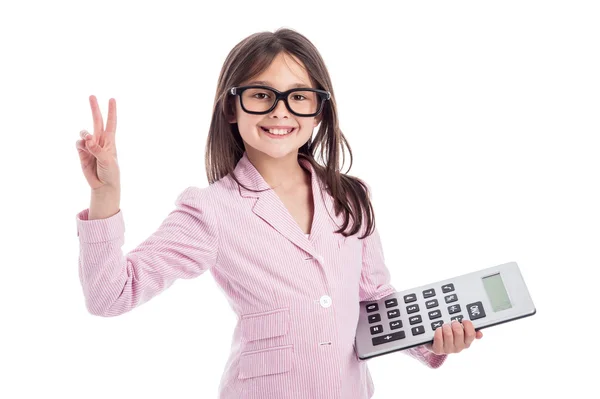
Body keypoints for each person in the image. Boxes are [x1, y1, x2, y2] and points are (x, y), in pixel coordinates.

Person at [74, 28, 483, 399]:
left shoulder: (351, 197)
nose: (280, 111)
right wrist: (106, 194)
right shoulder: (211, 209)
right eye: (261, 94)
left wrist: (432, 342)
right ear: (231, 108)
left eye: (298, 96)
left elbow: (375, 302)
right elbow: (110, 295)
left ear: (320, 110)